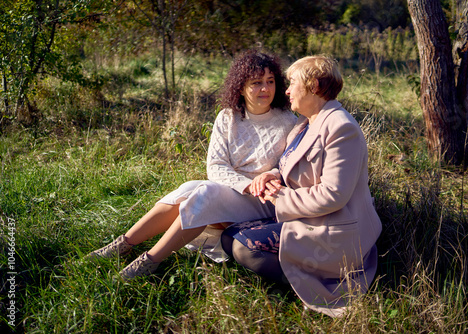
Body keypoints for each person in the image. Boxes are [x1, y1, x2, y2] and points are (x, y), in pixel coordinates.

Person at [84, 50, 297, 280]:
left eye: (270, 81)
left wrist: (270, 175)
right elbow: (216, 166)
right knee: (188, 189)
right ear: (241, 87)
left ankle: (149, 262)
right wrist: (245, 185)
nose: (265, 89)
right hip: (237, 191)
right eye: (257, 83)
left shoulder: (288, 121)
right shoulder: (228, 117)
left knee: (206, 193)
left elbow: (289, 165)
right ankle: (122, 245)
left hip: (263, 201)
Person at [221, 55, 382, 317]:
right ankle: (295, 271)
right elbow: (289, 164)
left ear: (314, 86)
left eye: (292, 82)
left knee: (243, 247)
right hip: (304, 218)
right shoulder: (305, 122)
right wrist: (272, 175)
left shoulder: (341, 128)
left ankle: (309, 284)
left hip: (332, 231)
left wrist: (281, 196)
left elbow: (333, 195)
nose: (285, 90)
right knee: (228, 236)